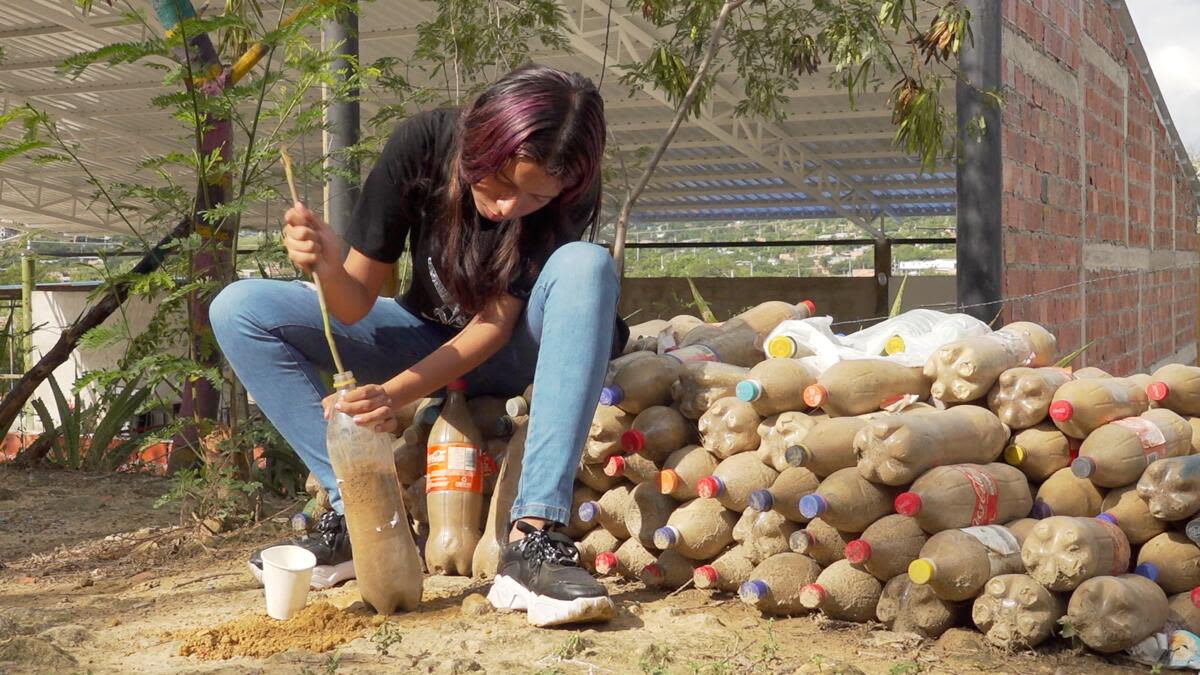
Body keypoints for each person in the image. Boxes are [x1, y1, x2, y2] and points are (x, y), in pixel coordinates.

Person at [210, 64, 625, 626]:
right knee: (240, 308)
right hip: (421, 333)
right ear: (479, 144)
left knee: (587, 264)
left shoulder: (569, 179)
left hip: (517, 348)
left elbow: (494, 326)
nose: (508, 208)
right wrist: (330, 265)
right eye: (501, 185)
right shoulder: (424, 145)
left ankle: (533, 539)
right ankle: (355, 516)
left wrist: (393, 394)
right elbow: (354, 302)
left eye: (533, 198)